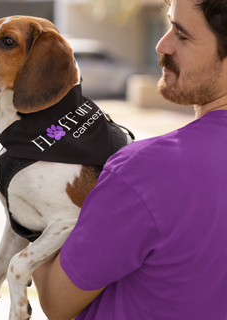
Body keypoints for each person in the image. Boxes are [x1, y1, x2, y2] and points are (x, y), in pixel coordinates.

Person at [32, 0, 227, 319]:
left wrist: (29, 190)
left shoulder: (148, 170)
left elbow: (56, 301)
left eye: (181, 33)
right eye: (168, 24)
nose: (162, 44)